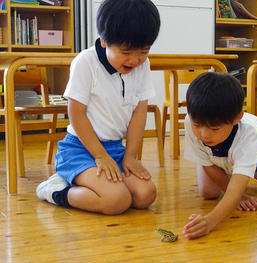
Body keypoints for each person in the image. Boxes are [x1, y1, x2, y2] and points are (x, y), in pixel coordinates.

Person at [36, 0, 161, 215]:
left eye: (144, 51)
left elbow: (139, 113)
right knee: (116, 201)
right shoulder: (85, 62)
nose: (136, 59)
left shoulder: (143, 65)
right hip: (80, 150)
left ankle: (91, 183)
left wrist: (130, 156)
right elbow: (76, 113)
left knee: (145, 195)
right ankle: (56, 190)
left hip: (115, 150)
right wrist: (100, 156)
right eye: (126, 52)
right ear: (104, 41)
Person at [182, 72, 257, 239]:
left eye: (214, 129)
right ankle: (233, 167)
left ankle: (246, 166)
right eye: (198, 125)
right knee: (208, 193)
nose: (204, 134)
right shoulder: (190, 122)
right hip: (213, 157)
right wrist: (236, 193)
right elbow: (230, 190)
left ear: (237, 117)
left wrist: (210, 221)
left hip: (256, 148)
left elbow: (235, 191)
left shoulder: (249, 135)